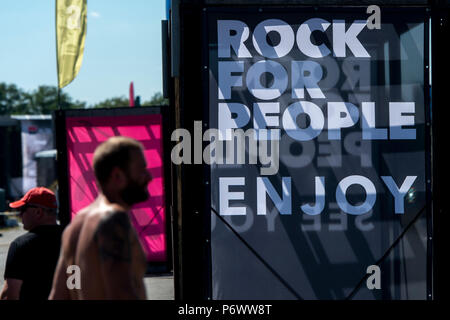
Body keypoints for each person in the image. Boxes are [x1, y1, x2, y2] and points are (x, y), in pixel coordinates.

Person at [49, 136, 152, 300]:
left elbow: (58, 295)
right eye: (142, 170)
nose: (149, 177)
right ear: (117, 176)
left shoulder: (74, 227)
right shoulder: (112, 219)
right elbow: (122, 294)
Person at [0, 187, 62, 300]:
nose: (20, 215)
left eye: (22, 209)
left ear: (38, 212)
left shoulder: (21, 245)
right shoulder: (72, 240)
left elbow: (9, 295)